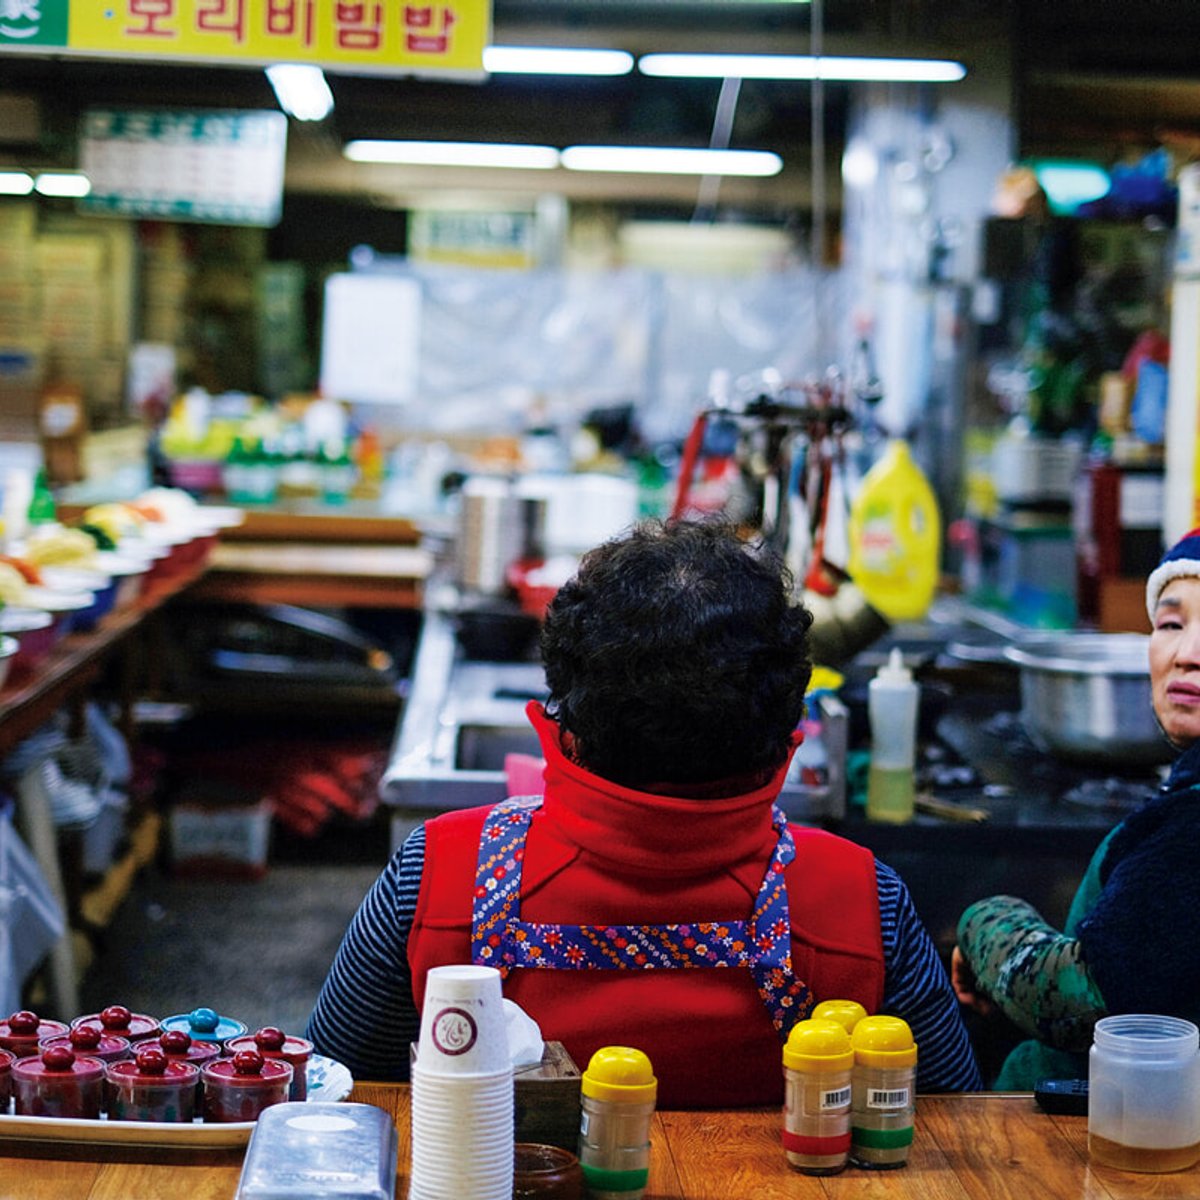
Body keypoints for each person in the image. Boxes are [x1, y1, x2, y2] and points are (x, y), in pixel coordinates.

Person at [308, 519, 980, 1106]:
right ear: (784, 735)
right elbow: (960, 1130)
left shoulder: (435, 876)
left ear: (566, 721)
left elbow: (328, 1103)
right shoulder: (864, 902)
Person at [953, 526, 1200, 1089]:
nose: (1188, 655)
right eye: (1171, 624)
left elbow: (1080, 998)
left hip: (1122, 1134)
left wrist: (985, 923)